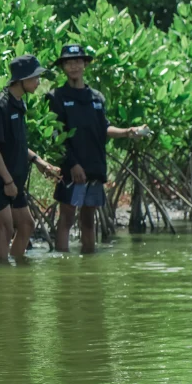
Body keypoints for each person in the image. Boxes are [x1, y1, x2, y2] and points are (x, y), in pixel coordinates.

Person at [48, 43, 150, 254]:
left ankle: (88, 263)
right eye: (68, 63)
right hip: (71, 170)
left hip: (95, 167)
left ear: (85, 64)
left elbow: (104, 128)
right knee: (66, 219)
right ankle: (62, 265)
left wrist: (128, 131)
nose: (74, 66)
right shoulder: (56, 97)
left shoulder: (97, 98)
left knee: (88, 220)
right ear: (63, 67)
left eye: (77, 62)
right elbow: (56, 136)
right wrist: (72, 164)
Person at [0, 54, 61, 263]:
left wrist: (39, 161)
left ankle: (16, 273)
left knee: (26, 225)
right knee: (5, 228)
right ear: (22, 79)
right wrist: (7, 181)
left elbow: (17, 144)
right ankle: (3, 278)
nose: (38, 82)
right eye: (35, 77)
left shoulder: (19, 104)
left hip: (12, 179)